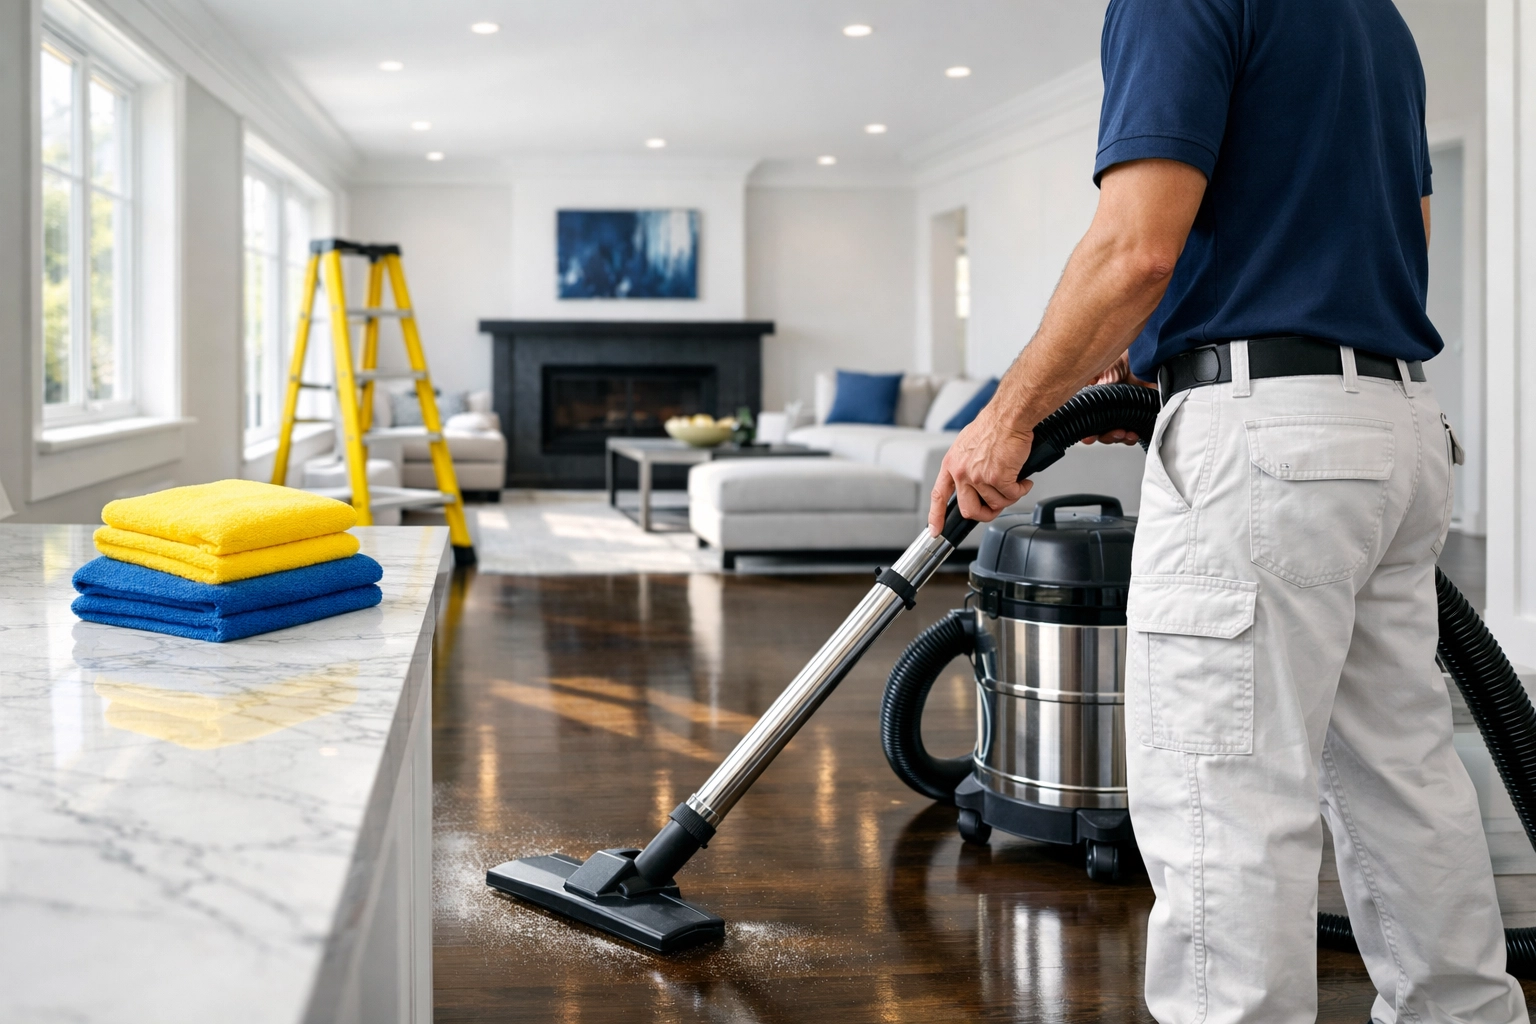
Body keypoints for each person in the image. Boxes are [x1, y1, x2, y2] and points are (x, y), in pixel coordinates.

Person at [926, 1, 1528, 1021]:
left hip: (1269, 449)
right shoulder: (1375, 21)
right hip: (1393, 422)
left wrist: (1007, 416)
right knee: (1405, 781)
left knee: (1224, 800)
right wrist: (1166, 361)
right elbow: (1391, 241)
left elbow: (1135, 250)